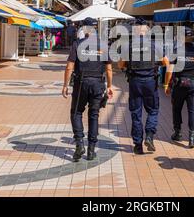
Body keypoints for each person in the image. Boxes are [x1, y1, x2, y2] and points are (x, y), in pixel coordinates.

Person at [62, 17, 114, 162]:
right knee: (94, 115)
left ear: (83, 29)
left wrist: (65, 85)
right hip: (98, 83)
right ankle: (91, 150)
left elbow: (69, 66)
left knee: (76, 112)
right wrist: (109, 86)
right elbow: (109, 69)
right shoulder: (103, 45)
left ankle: (79, 144)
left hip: (81, 83)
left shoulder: (77, 44)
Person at [118, 18, 169, 155]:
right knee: (153, 110)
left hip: (135, 82)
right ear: (147, 30)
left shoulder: (127, 45)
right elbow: (166, 62)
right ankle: (150, 136)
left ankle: (138, 145)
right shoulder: (155, 45)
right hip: (150, 82)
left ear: (135, 30)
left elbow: (121, 65)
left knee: (136, 113)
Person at [164, 27, 194, 148]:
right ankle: (192, 139)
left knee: (176, 109)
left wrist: (167, 85)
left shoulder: (176, 51)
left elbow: (170, 70)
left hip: (179, 84)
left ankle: (177, 133)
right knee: (192, 111)